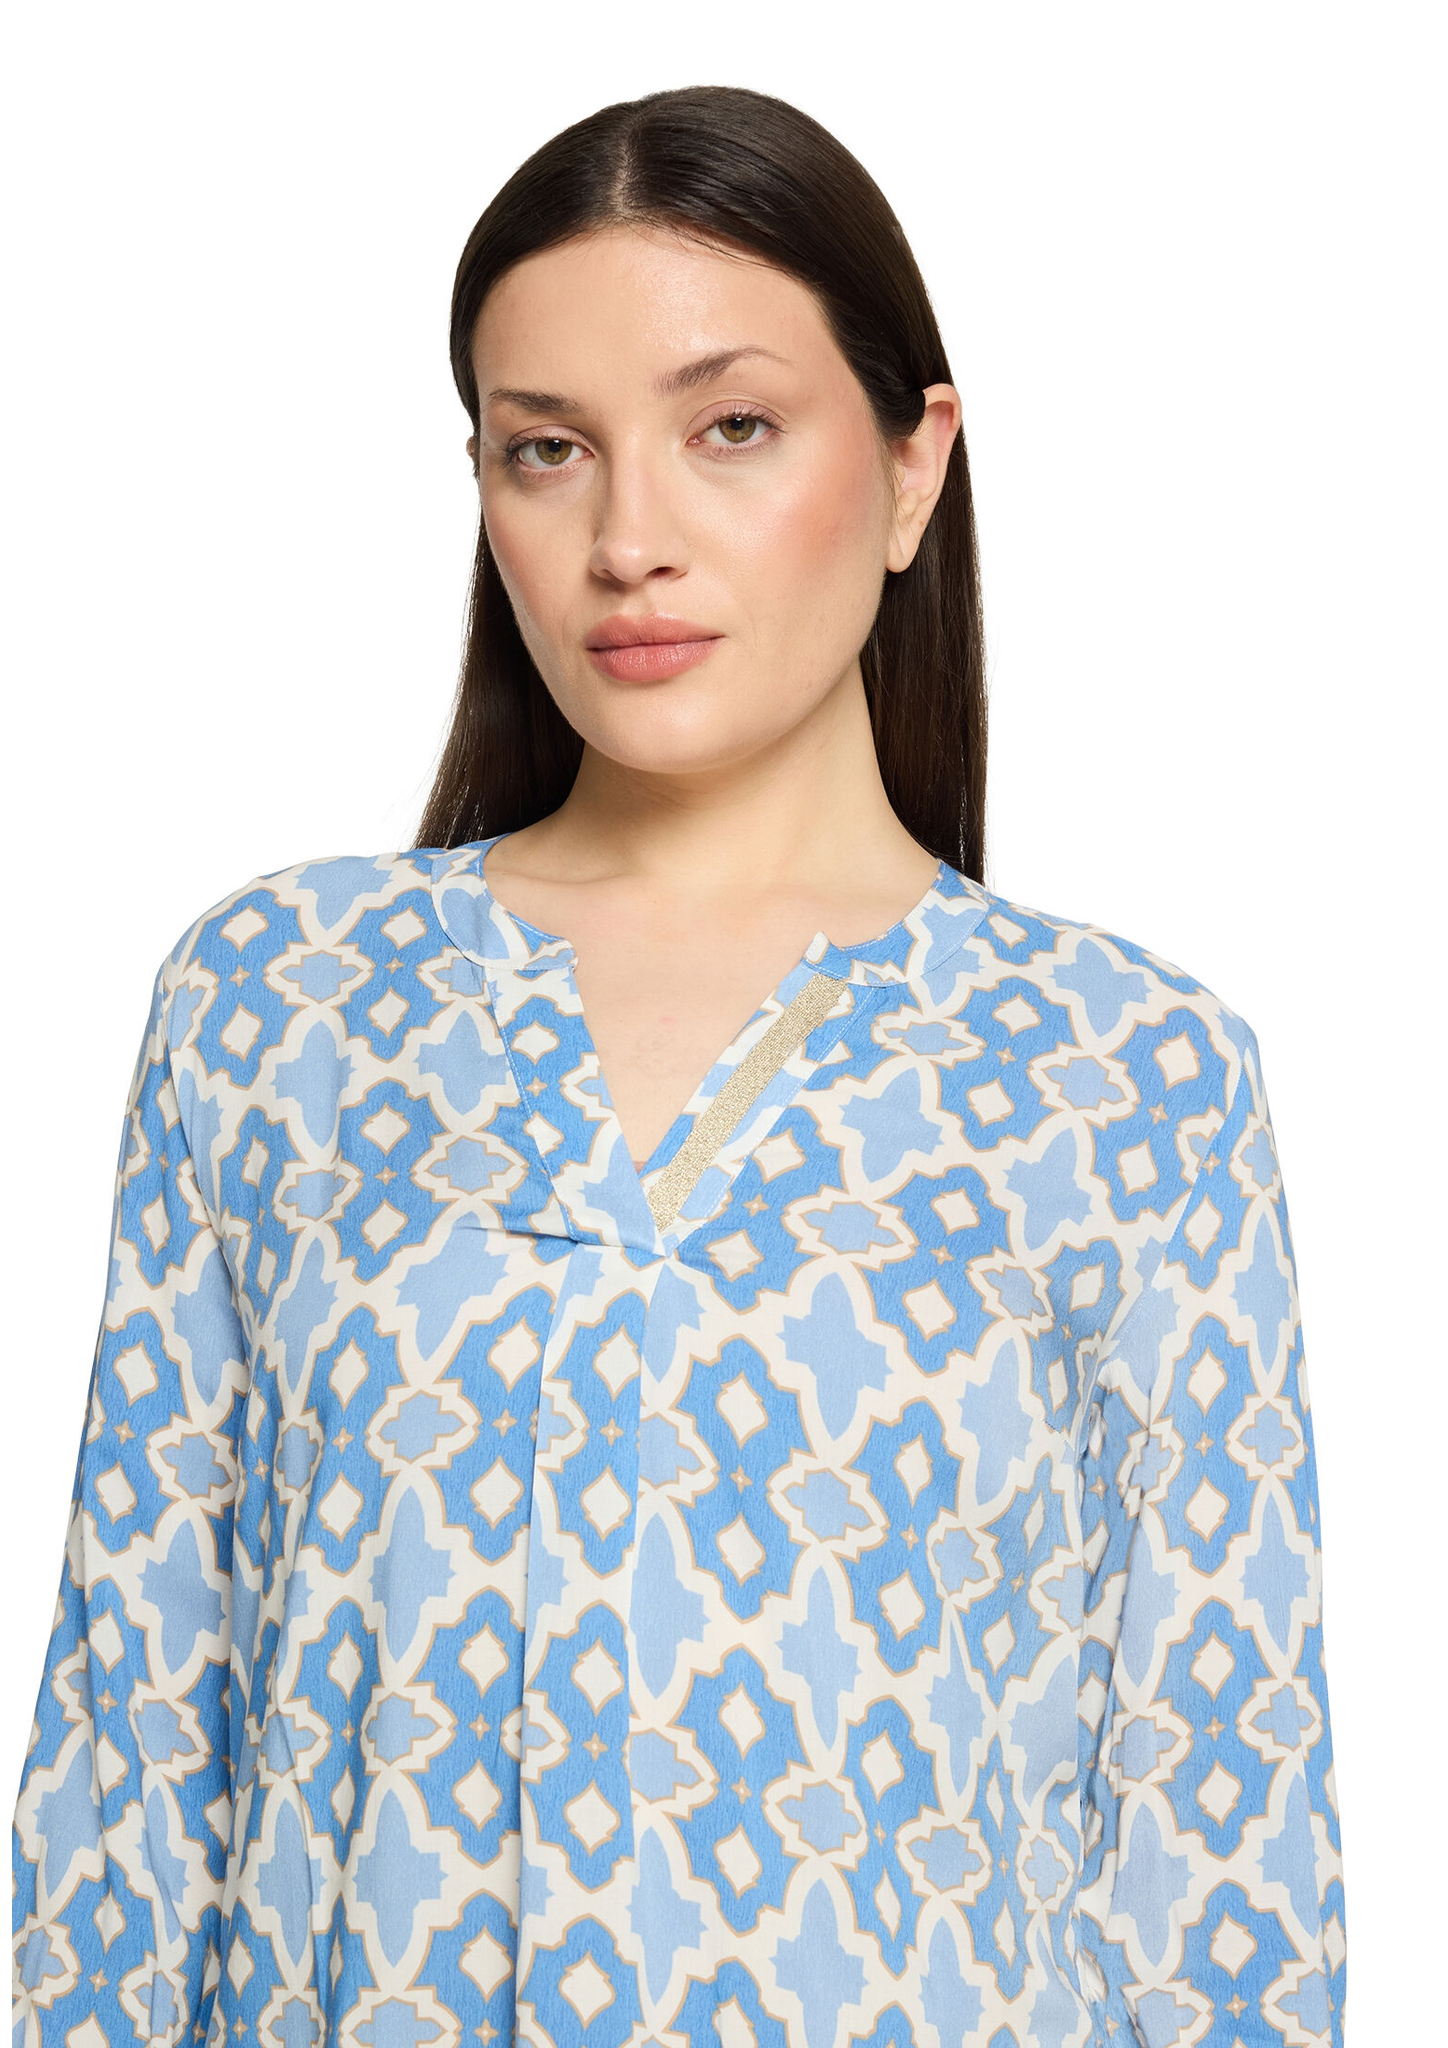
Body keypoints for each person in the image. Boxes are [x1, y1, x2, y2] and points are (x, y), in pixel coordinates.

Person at [10, 85, 1345, 2048]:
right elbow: (129, 1764)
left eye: (731, 429)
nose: (628, 540)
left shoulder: (1128, 1079)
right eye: (547, 451)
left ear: (913, 466)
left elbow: (1220, 1863)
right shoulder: (278, 1008)